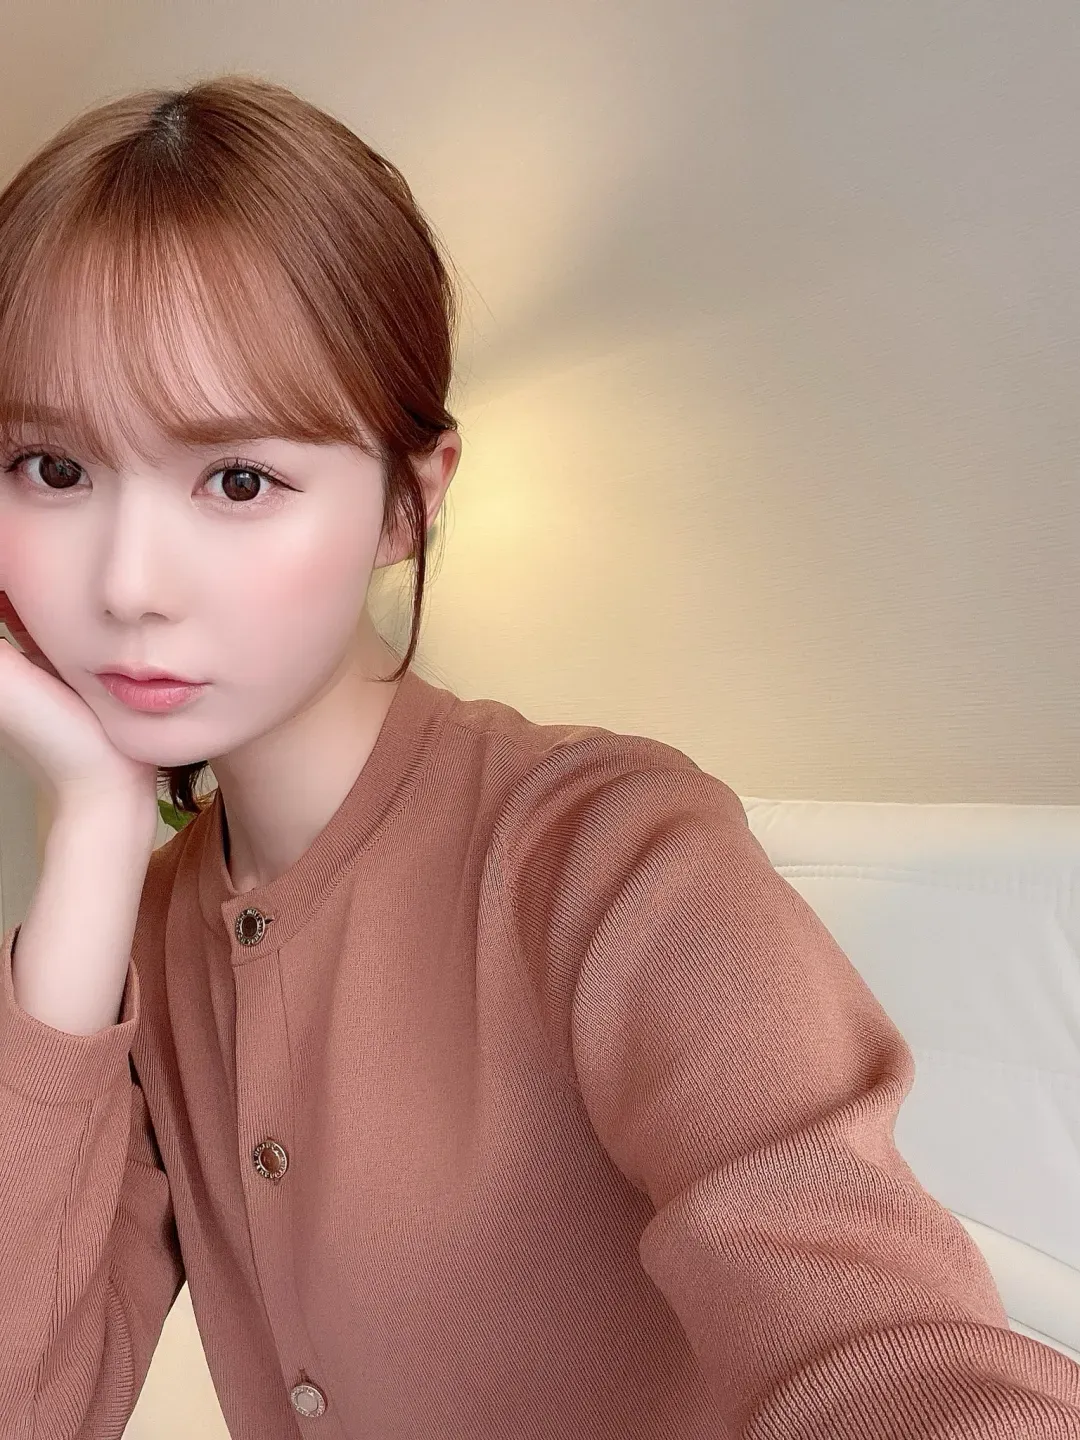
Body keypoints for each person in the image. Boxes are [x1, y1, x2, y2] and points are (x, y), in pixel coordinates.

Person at [0, 74, 1076, 1440]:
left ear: (409, 504)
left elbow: (893, 1355)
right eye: (52, 469)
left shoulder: (613, 855)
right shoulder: (147, 939)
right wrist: (94, 829)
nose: (128, 584)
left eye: (239, 480)